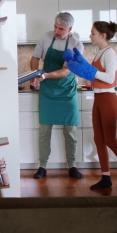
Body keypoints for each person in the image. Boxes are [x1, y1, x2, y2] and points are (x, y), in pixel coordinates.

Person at [63, 21, 117, 190]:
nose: (90, 36)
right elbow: (96, 76)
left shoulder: (109, 53)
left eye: (93, 33)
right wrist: (85, 68)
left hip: (108, 100)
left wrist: (90, 72)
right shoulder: (99, 53)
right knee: (99, 139)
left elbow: (110, 79)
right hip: (98, 98)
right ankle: (106, 177)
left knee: (110, 140)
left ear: (103, 35)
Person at [30, 12, 84, 179]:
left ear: (70, 29)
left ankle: (72, 165)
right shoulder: (46, 38)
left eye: (61, 28)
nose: (56, 31)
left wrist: (45, 76)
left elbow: (67, 70)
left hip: (67, 90)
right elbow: (34, 58)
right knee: (44, 130)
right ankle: (42, 165)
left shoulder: (76, 44)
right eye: (55, 26)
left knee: (70, 131)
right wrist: (34, 75)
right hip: (47, 90)